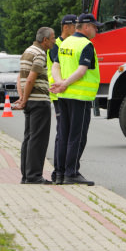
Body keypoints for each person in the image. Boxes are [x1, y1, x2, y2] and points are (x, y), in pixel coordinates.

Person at [50, 13, 102, 186]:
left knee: (63, 135)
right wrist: (65, 83)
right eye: (94, 26)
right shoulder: (86, 44)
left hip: (63, 96)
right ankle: (71, 173)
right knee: (76, 136)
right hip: (78, 97)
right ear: (86, 27)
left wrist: (60, 83)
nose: (96, 29)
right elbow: (81, 71)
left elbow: (55, 66)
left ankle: (59, 173)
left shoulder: (66, 43)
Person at [13, 27, 56, 185]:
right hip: (38, 101)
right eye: (52, 38)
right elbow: (30, 79)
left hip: (30, 101)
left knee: (29, 138)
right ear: (45, 40)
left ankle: (26, 174)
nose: (54, 41)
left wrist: (23, 97)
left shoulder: (27, 51)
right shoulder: (40, 54)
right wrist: (24, 99)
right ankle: (34, 176)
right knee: (38, 140)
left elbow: (20, 78)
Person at [47, 14, 77, 183]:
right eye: (75, 26)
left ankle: (62, 170)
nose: (76, 29)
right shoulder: (56, 45)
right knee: (62, 134)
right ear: (66, 27)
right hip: (58, 94)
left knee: (65, 133)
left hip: (65, 92)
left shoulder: (67, 44)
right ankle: (58, 171)